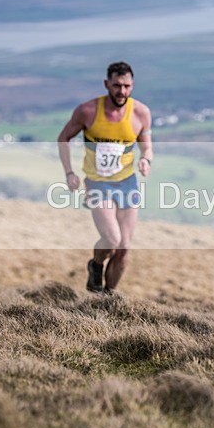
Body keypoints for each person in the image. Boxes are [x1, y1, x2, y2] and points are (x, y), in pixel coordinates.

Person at [58, 61, 153, 296]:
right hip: (97, 182)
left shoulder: (141, 112)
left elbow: (147, 148)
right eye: (117, 85)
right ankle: (97, 264)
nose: (122, 91)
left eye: (127, 86)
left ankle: (107, 297)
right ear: (106, 84)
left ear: (132, 85)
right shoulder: (88, 111)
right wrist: (69, 172)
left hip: (127, 182)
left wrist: (145, 160)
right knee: (111, 238)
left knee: (123, 248)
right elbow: (63, 138)